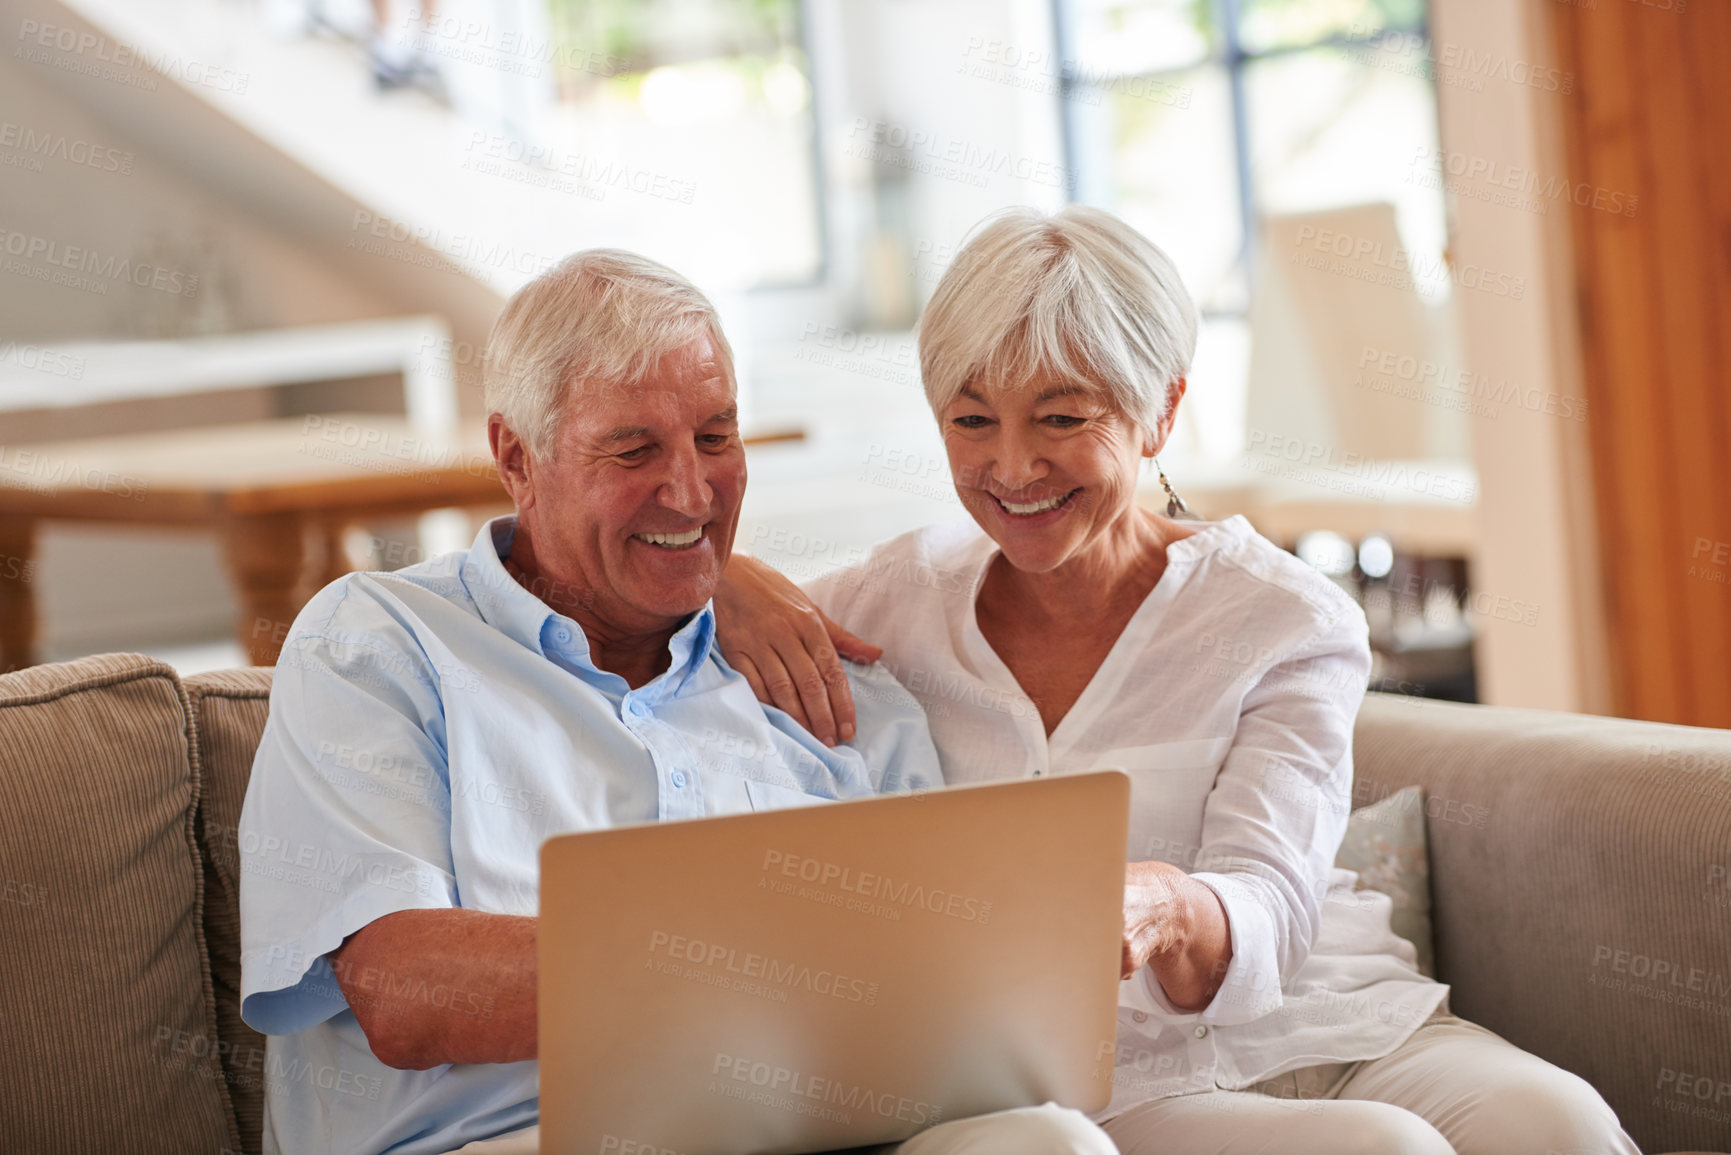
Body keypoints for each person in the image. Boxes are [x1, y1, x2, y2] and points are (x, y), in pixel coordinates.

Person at [715, 205, 1641, 1154]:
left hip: (1336, 1013)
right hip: (1117, 1075)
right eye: (970, 420)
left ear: (1160, 408)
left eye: (1062, 417)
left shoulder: (1283, 616)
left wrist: (1163, 902)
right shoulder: (882, 606)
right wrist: (720, 574)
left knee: (1554, 1119)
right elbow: (621, 604)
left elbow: (1273, 907)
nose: (1011, 464)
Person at [236, 249, 1118, 1155]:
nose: (692, 491)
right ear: (516, 457)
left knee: (1050, 1141)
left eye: (715, 436)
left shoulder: (827, 687)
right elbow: (407, 991)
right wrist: (771, 964)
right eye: (634, 449)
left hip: (815, 1133)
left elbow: (951, 995)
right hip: (508, 1141)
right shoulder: (377, 643)